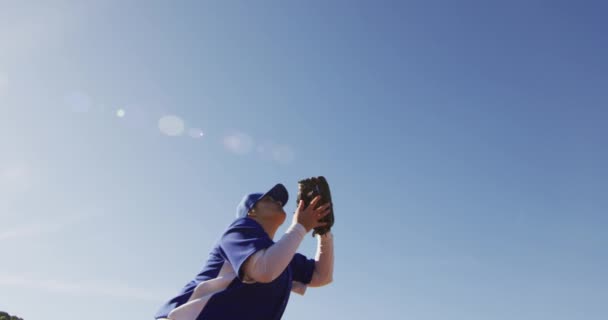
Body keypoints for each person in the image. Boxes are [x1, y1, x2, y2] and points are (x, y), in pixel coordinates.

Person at [154, 183, 335, 320]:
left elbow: (321, 276)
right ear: (251, 212)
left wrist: (323, 232)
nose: (278, 202)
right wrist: (300, 226)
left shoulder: (278, 255)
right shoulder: (240, 229)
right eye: (269, 199)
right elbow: (263, 270)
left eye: (278, 200)